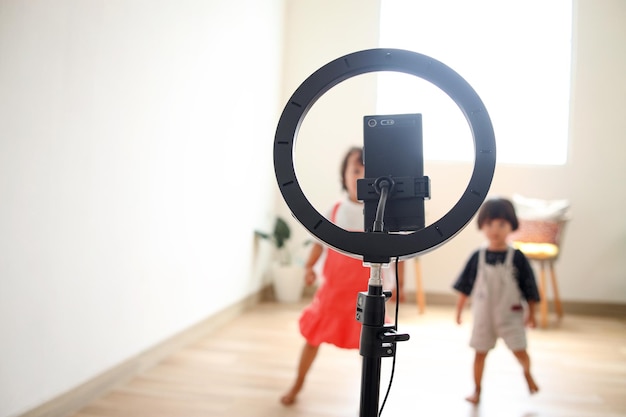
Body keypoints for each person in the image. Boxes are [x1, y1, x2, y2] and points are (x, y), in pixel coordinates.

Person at [280, 146, 404, 406]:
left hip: (370, 295)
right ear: (344, 175)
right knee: (313, 338)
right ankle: (297, 383)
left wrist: (399, 284)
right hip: (334, 293)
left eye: (368, 172)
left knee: (371, 347)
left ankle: (371, 394)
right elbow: (318, 242)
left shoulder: (382, 217)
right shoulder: (335, 211)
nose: (361, 177)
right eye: (356, 170)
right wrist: (309, 268)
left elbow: (398, 254)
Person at [453, 197, 540, 405]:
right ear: (482, 225)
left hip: (511, 315)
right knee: (479, 354)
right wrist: (458, 311)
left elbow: (530, 288)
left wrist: (532, 314)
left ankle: (527, 373)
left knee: (520, 350)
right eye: (489, 224)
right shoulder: (478, 256)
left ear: (512, 225)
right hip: (483, 316)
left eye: (501, 224)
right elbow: (465, 285)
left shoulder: (517, 257)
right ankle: (477, 390)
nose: (495, 229)